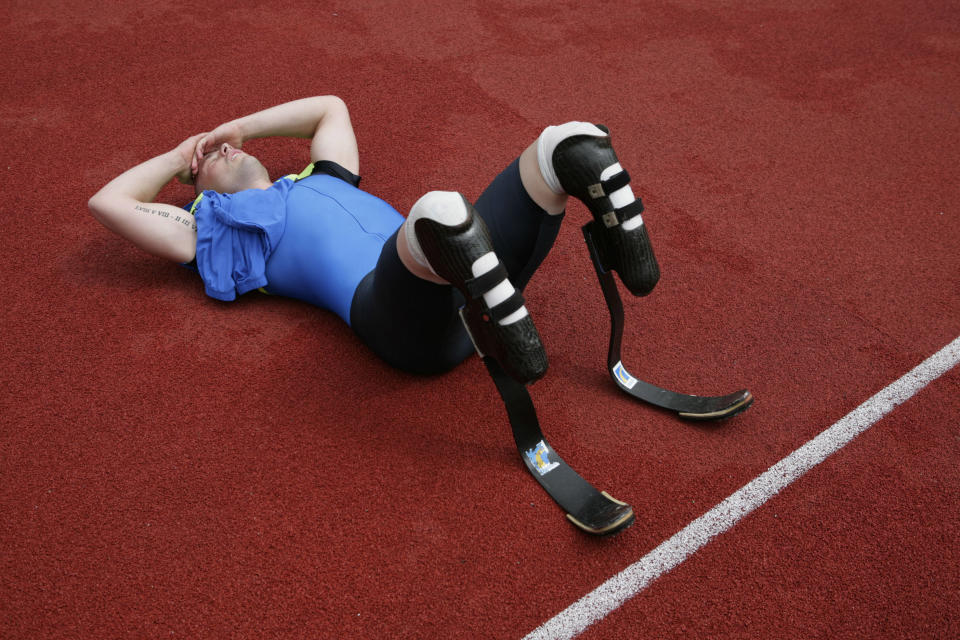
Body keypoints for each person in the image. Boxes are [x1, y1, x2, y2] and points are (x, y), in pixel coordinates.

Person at [88, 96, 659, 384]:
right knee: (438, 214)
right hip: (402, 319)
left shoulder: (321, 176)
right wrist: (177, 157)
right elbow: (107, 203)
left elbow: (330, 108)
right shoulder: (210, 234)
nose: (220, 149)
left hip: (457, 255)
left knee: (565, 142)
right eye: (209, 158)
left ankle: (610, 253)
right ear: (197, 191)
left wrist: (242, 125)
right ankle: (491, 307)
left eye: (222, 144)